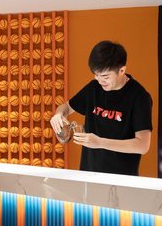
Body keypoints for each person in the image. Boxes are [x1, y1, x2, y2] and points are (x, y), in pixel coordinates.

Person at [50, 40, 152, 176]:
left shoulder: (139, 97)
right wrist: (58, 115)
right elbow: (66, 107)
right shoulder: (93, 88)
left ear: (122, 70)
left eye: (105, 76)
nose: (99, 80)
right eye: (96, 75)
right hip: (88, 175)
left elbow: (142, 145)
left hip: (122, 179)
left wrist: (100, 142)